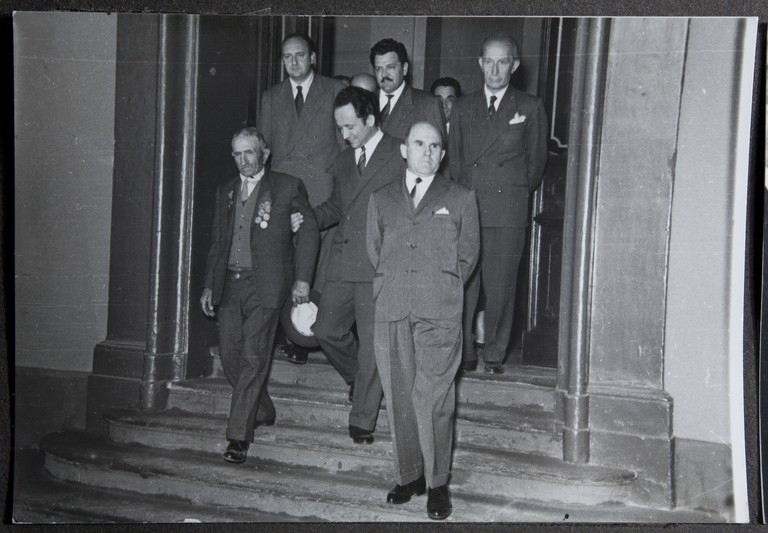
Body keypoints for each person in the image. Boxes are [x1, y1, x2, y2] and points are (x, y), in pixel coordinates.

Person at [366, 121, 480, 520]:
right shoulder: (380, 199)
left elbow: (467, 257)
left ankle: (437, 483)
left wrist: (441, 289)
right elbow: (374, 250)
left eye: (435, 146)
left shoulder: (461, 198)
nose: (427, 152)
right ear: (404, 150)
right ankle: (410, 475)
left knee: (432, 398)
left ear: (443, 154)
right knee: (399, 395)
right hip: (393, 307)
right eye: (420, 144)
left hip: (439, 312)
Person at [200, 127, 319, 464]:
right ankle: (263, 409)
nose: (243, 160)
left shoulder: (286, 186)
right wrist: (210, 284)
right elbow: (218, 243)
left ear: (264, 153)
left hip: (265, 286)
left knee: (253, 355)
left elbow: (309, 230)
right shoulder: (226, 191)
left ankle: (238, 436)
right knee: (230, 356)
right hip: (230, 283)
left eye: (249, 152)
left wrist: (303, 280)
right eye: (237, 154)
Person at [309, 86, 405, 445]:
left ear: (369, 119)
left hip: (380, 264)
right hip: (343, 260)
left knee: (372, 345)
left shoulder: (400, 153)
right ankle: (357, 378)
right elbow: (336, 206)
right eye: (340, 128)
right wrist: (302, 217)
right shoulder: (342, 160)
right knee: (324, 329)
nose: (344, 135)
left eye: (350, 127)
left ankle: (363, 417)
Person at [448, 34, 548, 374]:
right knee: (465, 283)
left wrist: (512, 191)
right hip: (470, 205)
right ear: (480, 64)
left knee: (502, 284)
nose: (495, 69)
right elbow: (457, 160)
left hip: (507, 208)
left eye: (502, 62)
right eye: (488, 61)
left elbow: (535, 164)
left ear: (514, 65)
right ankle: (463, 354)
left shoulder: (530, 106)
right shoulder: (463, 106)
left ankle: (494, 353)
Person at [257, 33, 346, 365]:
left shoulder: (334, 91)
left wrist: (341, 193)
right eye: (287, 57)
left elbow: (344, 147)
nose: (293, 62)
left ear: (313, 58)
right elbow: (265, 152)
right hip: (285, 194)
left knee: (319, 265)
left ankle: (312, 335)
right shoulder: (271, 97)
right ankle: (293, 336)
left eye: (299, 56)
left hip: (321, 193)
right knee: (288, 263)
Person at [370, 38, 445, 140]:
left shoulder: (428, 104)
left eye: (390, 67)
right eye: (379, 69)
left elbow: (437, 149)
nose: (384, 74)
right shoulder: (365, 101)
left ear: (404, 68)